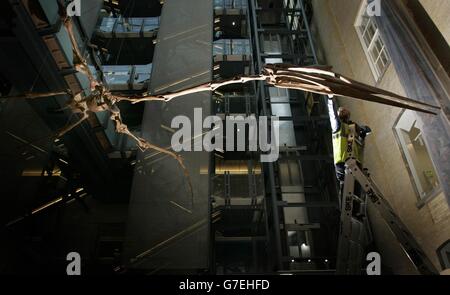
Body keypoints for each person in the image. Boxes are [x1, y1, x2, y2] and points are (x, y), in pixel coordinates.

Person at [327, 96, 371, 183]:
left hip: (355, 164)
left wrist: (363, 133)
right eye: (340, 110)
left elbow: (361, 143)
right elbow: (332, 115)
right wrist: (330, 98)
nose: (341, 109)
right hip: (343, 163)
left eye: (343, 109)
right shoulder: (337, 127)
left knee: (356, 194)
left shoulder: (352, 128)